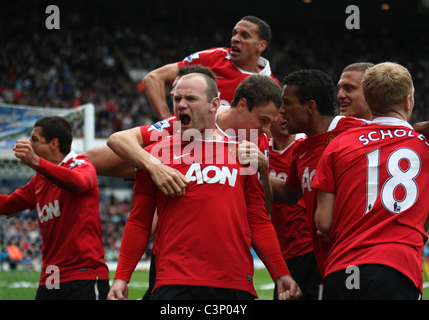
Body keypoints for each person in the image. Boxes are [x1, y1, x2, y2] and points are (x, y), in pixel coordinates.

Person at [107, 72, 301, 300]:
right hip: (174, 281)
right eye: (177, 99)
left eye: (190, 99)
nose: (181, 104)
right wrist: (121, 277)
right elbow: (139, 221)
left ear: (214, 104)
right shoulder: (154, 155)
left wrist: (281, 274)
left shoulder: (242, 154)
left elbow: (258, 220)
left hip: (234, 282)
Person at [313, 62, 429, 300]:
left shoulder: (337, 144)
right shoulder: (424, 147)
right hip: (397, 269)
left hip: (341, 269)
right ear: (407, 101)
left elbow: (323, 223)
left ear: (368, 98)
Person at [0, 116, 109, 300]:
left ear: (54, 144)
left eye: (35, 139)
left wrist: (35, 162)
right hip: (52, 274)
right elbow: (8, 205)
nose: (29, 144)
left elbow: (78, 183)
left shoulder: (81, 164)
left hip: (83, 273)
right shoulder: (39, 181)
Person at [270, 69, 366, 277]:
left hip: (355, 260)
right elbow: (290, 193)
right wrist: (253, 172)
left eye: (287, 103)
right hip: (325, 261)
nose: (281, 111)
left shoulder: (356, 130)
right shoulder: (301, 150)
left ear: (310, 107)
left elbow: (401, 134)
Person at [143, 15, 278, 119]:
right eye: (234, 33)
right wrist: (168, 122)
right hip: (184, 141)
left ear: (261, 45)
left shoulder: (270, 86)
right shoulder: (213, 57)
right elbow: (153, 79)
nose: (235, 39)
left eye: (245, 35)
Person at [268, 117, 322, 300]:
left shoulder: (306, 145)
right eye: (277, 112)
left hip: (310, 249)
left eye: (286, 110)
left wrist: (259, 175)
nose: (283, 117)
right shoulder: (260, 150)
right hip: (281, 253)